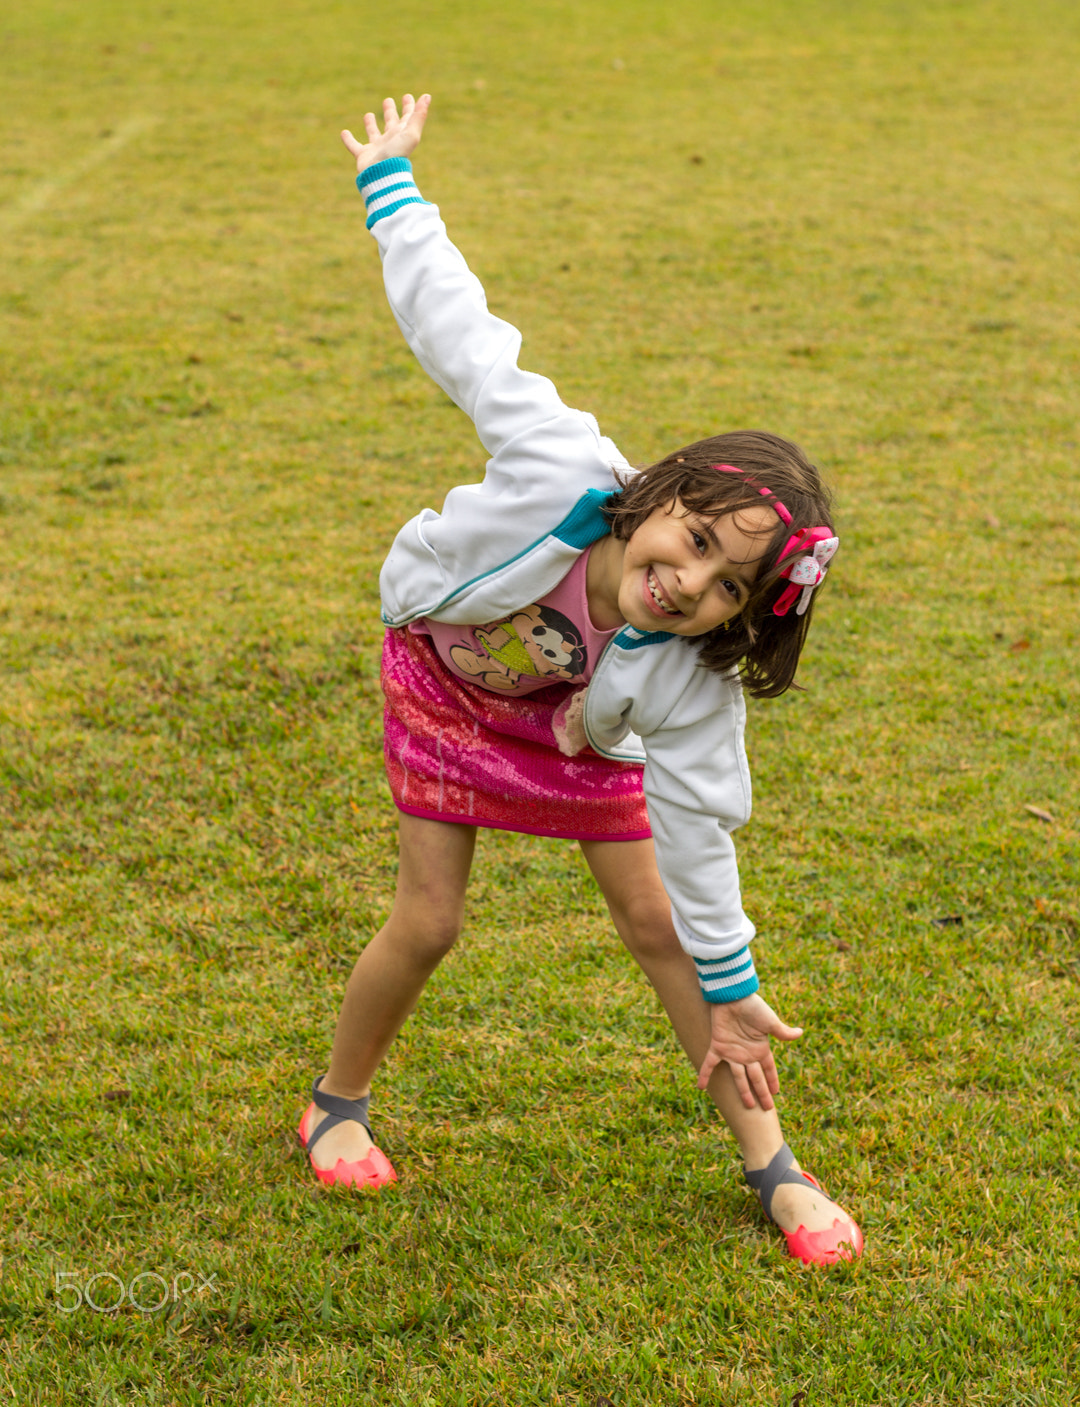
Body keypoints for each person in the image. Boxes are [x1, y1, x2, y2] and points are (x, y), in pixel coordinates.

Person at [298, 94, 863, 1266]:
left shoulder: (689, 683)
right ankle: (335, 1104)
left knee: (660, 924)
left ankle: (775, 1167)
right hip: (444, 692)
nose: (687, 584)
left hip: (579, 740)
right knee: (432, 918)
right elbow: (462, 332)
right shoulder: (558, 462)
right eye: (695, 542)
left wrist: (735, 976)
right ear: (662, 494)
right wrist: (391, 188)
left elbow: (701, 824)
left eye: (726, 592)